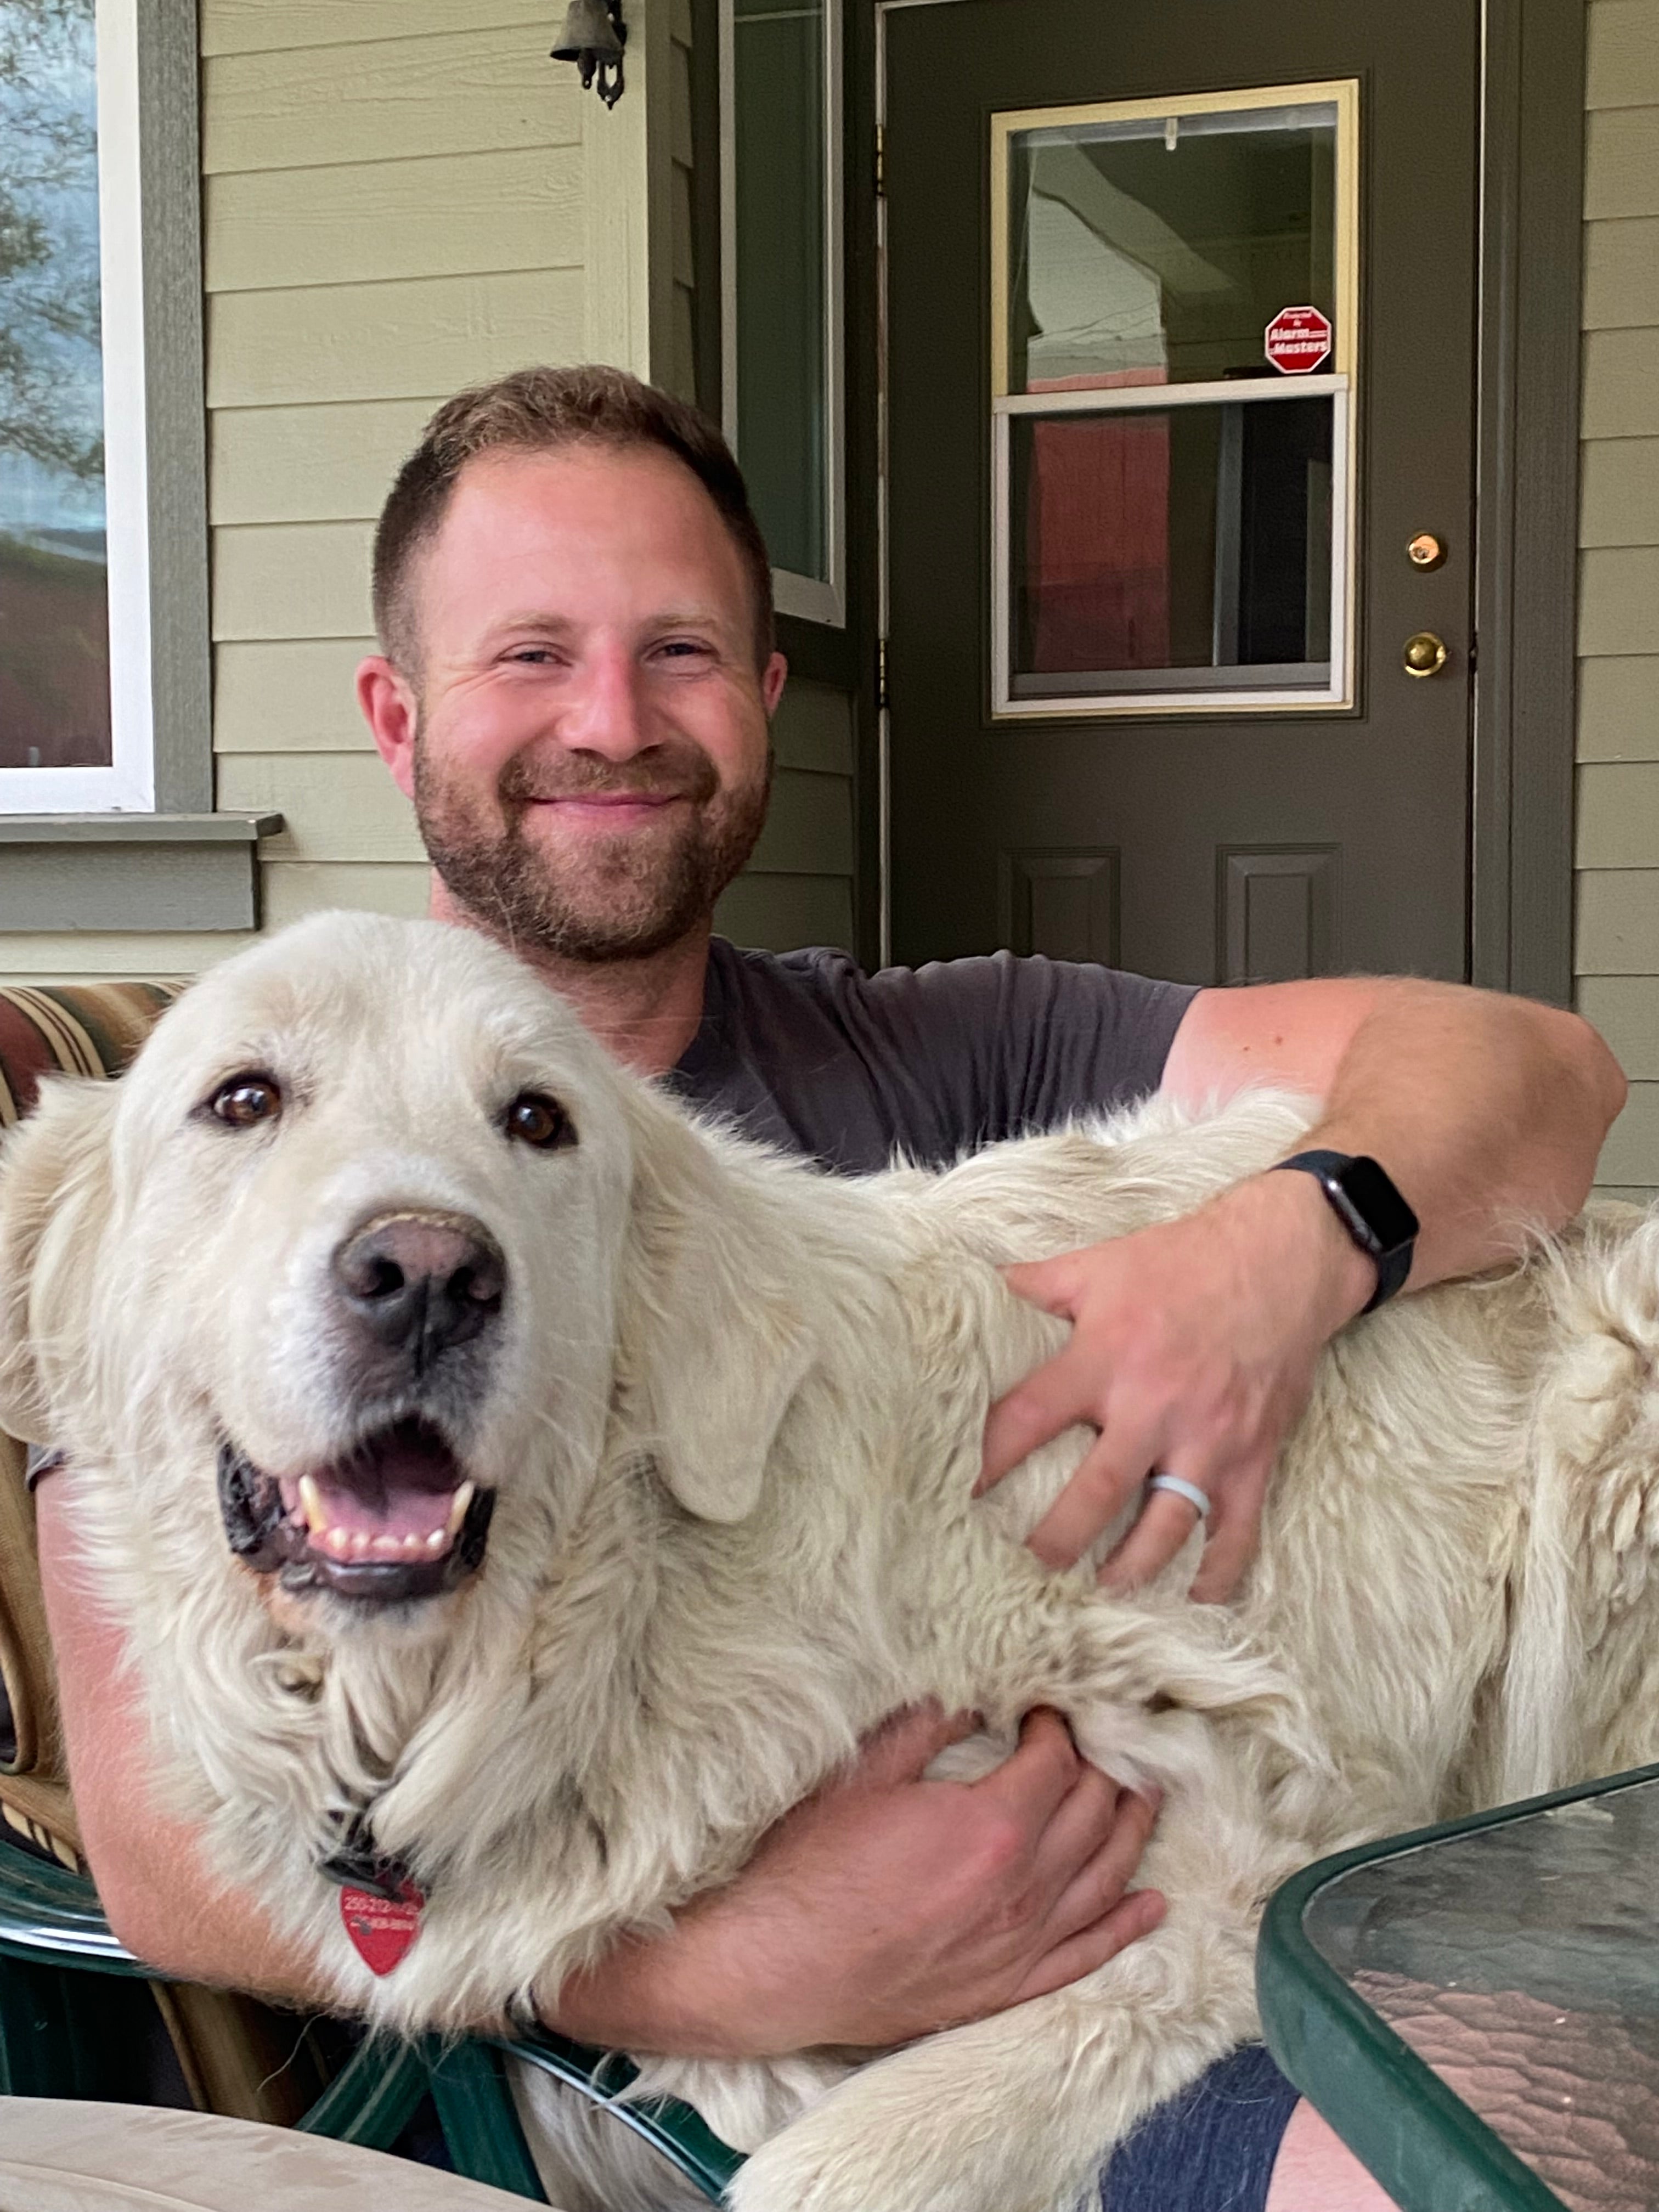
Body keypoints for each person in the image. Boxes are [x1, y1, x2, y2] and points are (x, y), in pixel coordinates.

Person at [36, 367, 1623, 2211]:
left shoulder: (959, 1047)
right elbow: (165, 1855)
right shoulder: (200, 1182)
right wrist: (727, 1966)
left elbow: (1536, 1072)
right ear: (400, 716)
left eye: (683, 652)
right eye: (530, 653)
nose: (613, 721)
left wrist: (1286, 1244)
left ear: (766, 700)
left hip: (1177, 1907)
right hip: (717, 2058)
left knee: (1536, 2117)